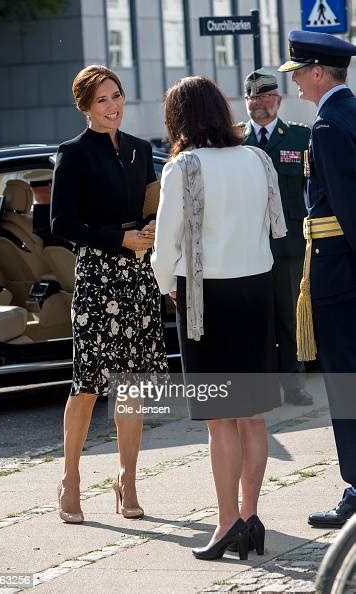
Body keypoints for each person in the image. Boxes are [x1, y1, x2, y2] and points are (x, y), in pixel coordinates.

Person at [151, 76, 286, 560]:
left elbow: (165, 246)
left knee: (219, 421)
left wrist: (167, 284)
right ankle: (251, 516)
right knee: (252, 417)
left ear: (178, 118)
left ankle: (227, 521)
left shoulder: (183, 165)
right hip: (256, 291)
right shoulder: (256, 157)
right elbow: (277, 227)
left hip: (205, 297)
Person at [51, 64, 168, 523]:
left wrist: (155, 229)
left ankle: (127, 480)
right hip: (99, 276)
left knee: (132, 386)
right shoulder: (72, 154)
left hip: (138, 276)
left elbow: (154, 205)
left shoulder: (141, 150)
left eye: (116, 95)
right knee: (87, 386)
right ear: (85, 107)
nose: (112, 105)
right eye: (102, 100)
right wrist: (118, 239)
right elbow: (61, 224)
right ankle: (71, 479)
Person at [279, 30, 356, 528]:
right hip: (341, 268)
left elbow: (349, 209)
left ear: (318, 72)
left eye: (299, 74)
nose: (296, 85)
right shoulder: (347, 115)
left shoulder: (328, 126)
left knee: (346, 383)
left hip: (340, 273)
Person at [241, 68, 313, 407]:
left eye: (266, 96)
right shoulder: (235, 141)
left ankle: (294, 384)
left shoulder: (300, 138)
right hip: (247, 247)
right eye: (253, 97)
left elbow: (311, 190)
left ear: (278, 100)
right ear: (246, 102)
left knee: (288, 315)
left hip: (288, 246)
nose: (260, 103)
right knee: (256, 319)